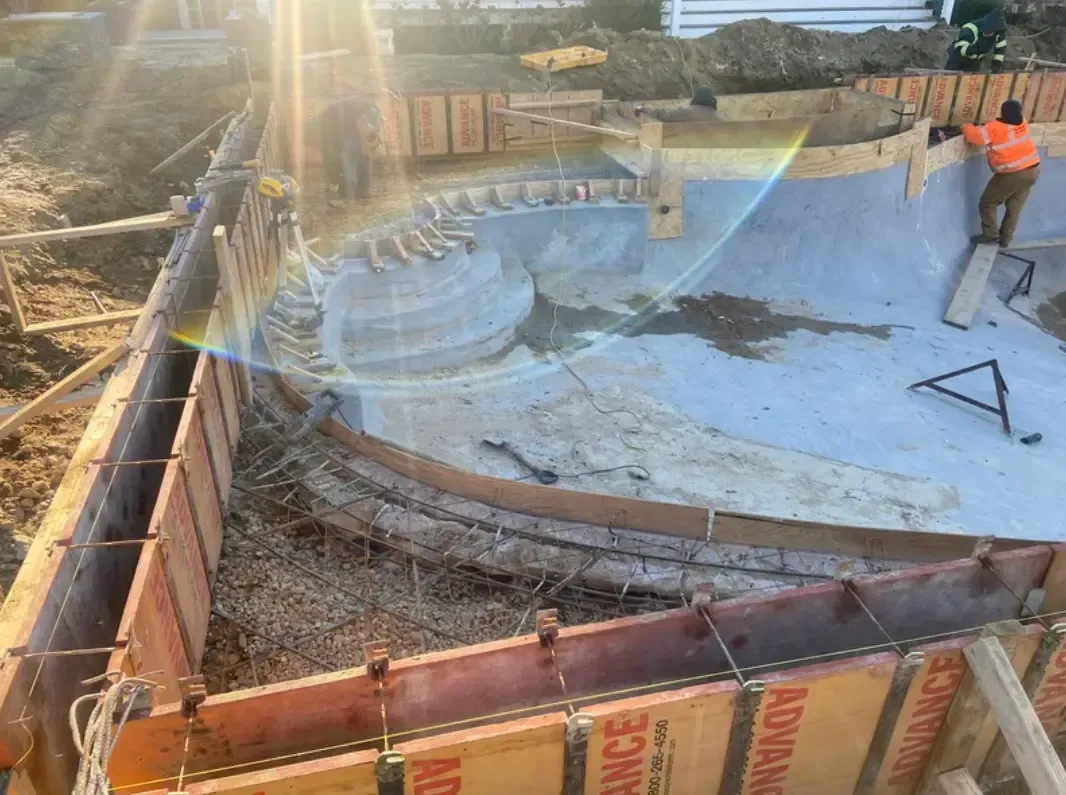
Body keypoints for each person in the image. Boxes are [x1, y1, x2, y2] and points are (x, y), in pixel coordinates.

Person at [961, 99, 1040, 248]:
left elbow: (975, 136)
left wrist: (965, 126)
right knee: (1014, 207)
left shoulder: (995, 128)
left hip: (1013, 173)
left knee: (988, 202)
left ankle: (990, 234)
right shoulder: (1022, 122)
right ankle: (1005, 238)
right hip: (1033, 170)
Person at [649, 87, 719, 123]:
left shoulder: (687, 111)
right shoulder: (718, 116)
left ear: (696, 97)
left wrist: (644, 109)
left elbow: (664, 116)